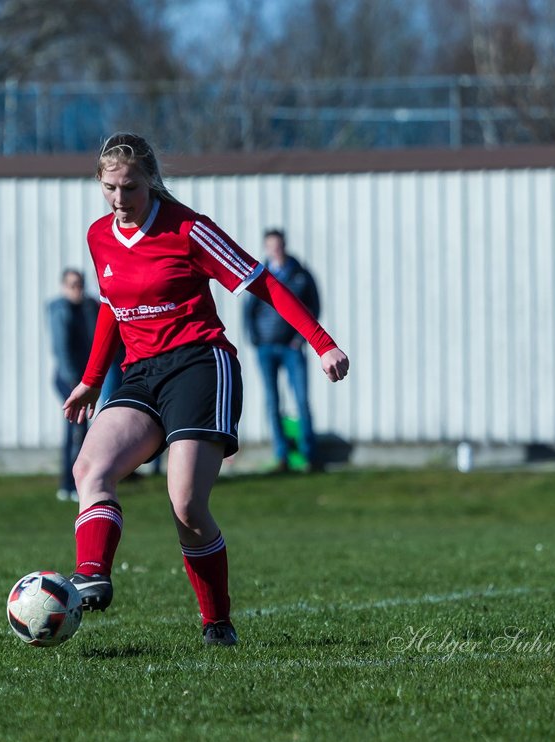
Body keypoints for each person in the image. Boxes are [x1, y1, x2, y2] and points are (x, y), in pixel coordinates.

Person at [62, 132, 349, 646]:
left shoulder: (190, 229)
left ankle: (217, 622)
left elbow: (264, 283)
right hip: (141, 372)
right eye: (109, 188)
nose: (120, 199)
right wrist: (89, 379)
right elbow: (111, 307)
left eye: (129, 187)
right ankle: (91, 574)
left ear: (150, 180)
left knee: (187, 504)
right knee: (89, 467)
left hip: (200, 364)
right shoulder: (99, 235)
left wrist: (321, 343)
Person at [244, 229, 321, 472]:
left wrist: (299, 339)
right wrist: (256, 339)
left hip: (292, 349)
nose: (275, 250)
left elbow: (313, 308)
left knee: (301, 400)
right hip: (266, 348)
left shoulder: (301, 275)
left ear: (285, 245)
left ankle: (309, 454)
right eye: (271, 246)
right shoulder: (260, 275)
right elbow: (249, 311)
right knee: (272, 401)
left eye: (278, 245)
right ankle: (282, 456)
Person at [48, 268, 100, 502]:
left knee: (82, 430)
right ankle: (68, 484)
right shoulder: (61, 310)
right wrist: (74, 382)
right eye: (71, 285)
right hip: (70, 379)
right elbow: (62, 349)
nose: (76, 289)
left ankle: (77, 482)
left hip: (85, 379)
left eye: (79, 284)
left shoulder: (89, 307)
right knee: (75, 429)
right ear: (63, 286)